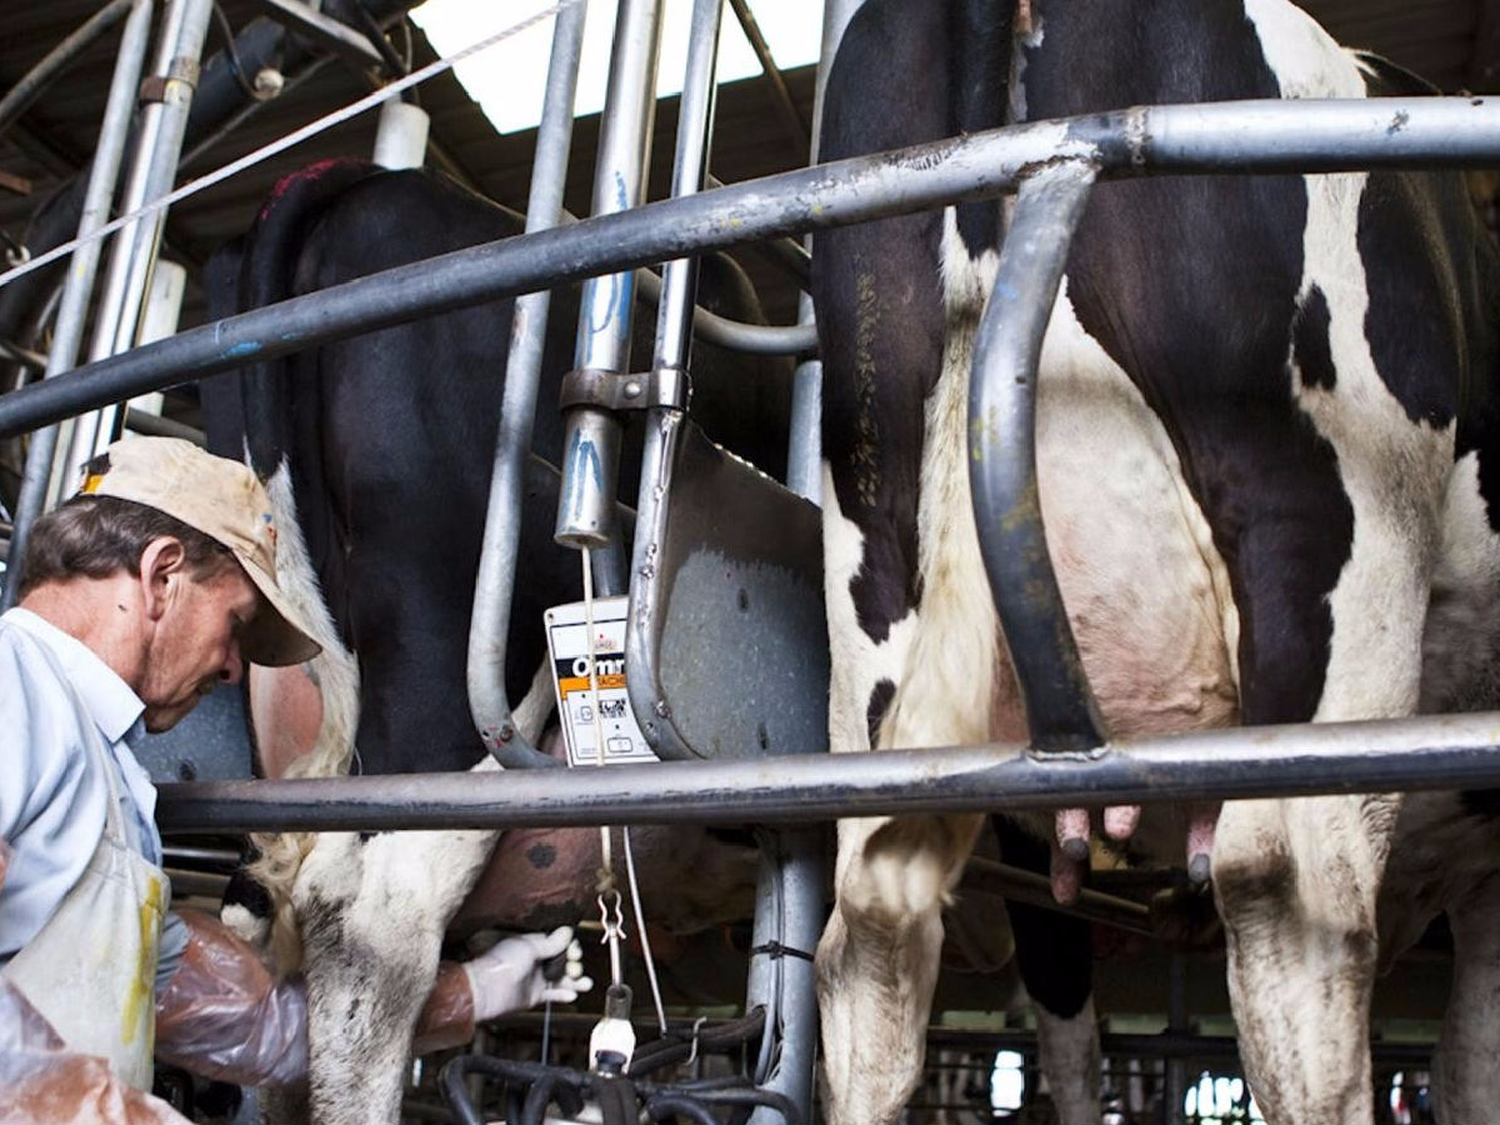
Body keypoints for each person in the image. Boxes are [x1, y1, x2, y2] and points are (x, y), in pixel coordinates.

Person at [0, 436, 589, 1109]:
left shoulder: (106, 768)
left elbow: (253, 1029)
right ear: (161, 576)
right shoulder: (13, 687)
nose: (230, 667)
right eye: (236, 623)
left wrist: (473, 990)